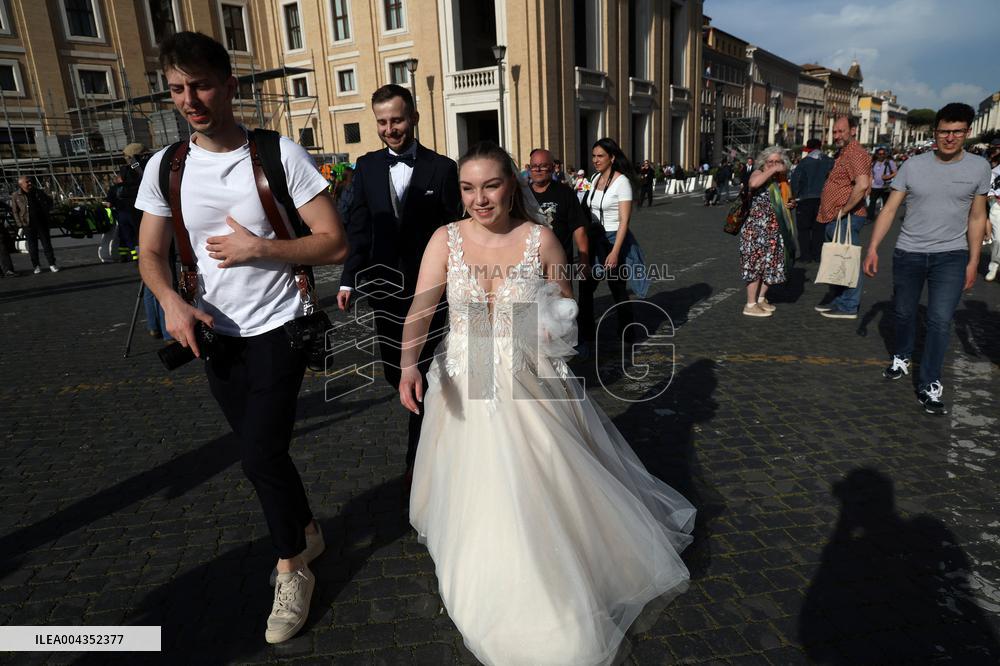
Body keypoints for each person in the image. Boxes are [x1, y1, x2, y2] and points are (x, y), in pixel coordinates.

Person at [399, 140, 695, 666]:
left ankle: (544, 579)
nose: (479, 199)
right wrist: (407, 365)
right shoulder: (446, 239)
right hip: (466, 372)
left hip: (527, 376)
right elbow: (422, 307)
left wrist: (544, 325)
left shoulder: (541, 239)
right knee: (473, 479)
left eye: (490, 185)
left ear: (510, 186)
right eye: (468, 188)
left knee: (541, 474)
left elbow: (565, 307)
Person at [135, 31, 348, 644]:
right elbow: (150, 253)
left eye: (201, 85)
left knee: (257, 454)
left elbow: (334, 242)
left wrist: (262, 249)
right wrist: (171, 302)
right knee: (266, 453)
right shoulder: (166, 166)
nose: (189, 100)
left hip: (281, 325)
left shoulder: (278, 153)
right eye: (177, 89)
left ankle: (291, 567)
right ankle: (307, 530)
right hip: (215, 335)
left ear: (229, 85)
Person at [336, 83, 461, 485]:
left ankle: (418, 461)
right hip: (382, 289)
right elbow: (359, 227)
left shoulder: (442, 168)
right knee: (396, 372)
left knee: (422, 370)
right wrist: (348, 279)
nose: (390, 129)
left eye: (397, 120)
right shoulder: (367, 166)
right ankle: (429, 438)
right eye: (382, 122)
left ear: (414, 118)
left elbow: (455, 230)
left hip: (431, 290)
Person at [862, 103, 990, 416]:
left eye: (957, 132)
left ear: (967, 133)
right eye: (944, 131)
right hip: (909, 253)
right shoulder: (913, 166)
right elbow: (890, 209)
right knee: (904, 312)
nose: (950, 137)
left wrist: (973, 261)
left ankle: (930, 382)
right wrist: (873, 246)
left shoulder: (979, 167)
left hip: (952, 256)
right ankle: (902, 355)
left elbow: (977, 216)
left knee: (939, 320)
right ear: (935, 132)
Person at [580, 138, 648, 347]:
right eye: (593, 156)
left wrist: (615, 251)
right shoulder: (594, 178)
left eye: (600, 156)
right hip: (594, 238)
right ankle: (586, 333)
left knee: (617, 289)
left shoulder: (622, 182)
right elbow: (584, 201)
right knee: (585, 287)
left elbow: (624, 221)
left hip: (613, 240)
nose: (595, 160)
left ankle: (627, 333)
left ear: (612, 157)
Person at [528, 148, 591, 357]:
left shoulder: (564, 193)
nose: (538, 170)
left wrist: (584, 259)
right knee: (533, 310)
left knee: (562, 308)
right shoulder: (522, 194)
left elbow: (579, 229)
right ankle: (537, 350)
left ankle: (570, 346)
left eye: (543, 166)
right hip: (529, 264)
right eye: (534, 166)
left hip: (558, 265)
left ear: (553, 167)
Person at [815, 115, 872, 319]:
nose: (837, 135)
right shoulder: (845, 153)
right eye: (834, 132)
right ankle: (840, 300)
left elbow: (862, 184)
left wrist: (845, 210)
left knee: (848, 261)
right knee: (838, 261)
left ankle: (848, 305)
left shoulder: (855, 153)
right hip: (837, 218)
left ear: (853, 131)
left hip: (847, 218)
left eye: (841, 131)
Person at [740, 146, 795, 317]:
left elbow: (785, 200)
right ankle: (750, 304)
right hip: (756, 230)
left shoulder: (781, 180)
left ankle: (761, 298)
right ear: (763, 162)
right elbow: (753, 184)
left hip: (774, 230)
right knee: (755, 265)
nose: (773, 164)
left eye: (777, 161)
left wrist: (790, 204)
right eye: (770, 161)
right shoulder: (758, 173)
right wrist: (772, 170)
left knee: (770, 265)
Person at [790, 138, 834, 263]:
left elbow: (796, 180)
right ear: (820, 147)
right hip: (823, 198)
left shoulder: (804, 162)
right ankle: (817, 254)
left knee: (803, 229)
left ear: (808, 149)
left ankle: (806, 255)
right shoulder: (829, 161)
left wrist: (794, 196)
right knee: (819, 228)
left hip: (805, 198)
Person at [10, 176, 58, 274]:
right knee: (32, 247)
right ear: (21, 184)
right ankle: (36, 266)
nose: (30, 183)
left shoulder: (38, 192)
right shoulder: (16, 195)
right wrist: (20, 223)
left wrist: (46, 211)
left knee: (47, 245)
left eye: (30, 181)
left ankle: (52, 264)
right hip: (28, 224)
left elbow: (50, 201)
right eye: (27, 182)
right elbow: (15, 211)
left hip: (42, 222)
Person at [869, 147, 897, 216]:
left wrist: (888, 176)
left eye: (883, 154)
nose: (881, 155)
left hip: (885, 186)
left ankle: (884, 217)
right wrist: (869, 187)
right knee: (872, 202)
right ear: (877, 154)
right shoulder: (873, 163)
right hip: (875, 186)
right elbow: (871, 176)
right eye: (880, 154)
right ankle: (870, 217)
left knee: (886, 203)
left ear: (885, 154)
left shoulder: (889, 162)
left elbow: (896, 173)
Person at [986, 151, 1000, 282]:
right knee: (998, 239)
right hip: (998, 207)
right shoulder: (995, 171)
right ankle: (994, 265)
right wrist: (992, 198)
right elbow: (990, 187)